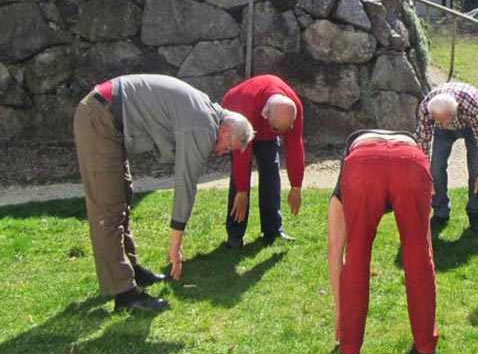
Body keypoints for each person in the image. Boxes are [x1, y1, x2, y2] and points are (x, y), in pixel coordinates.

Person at [73, 74, 255, 312]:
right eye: (226, 148)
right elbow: (185, 184)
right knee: (108, 210)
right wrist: (175, 245)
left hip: (107, 114)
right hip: (100, 117)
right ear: (225, 130)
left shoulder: (205, 113)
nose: (220, 153)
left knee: (121, 198)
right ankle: (125, 295)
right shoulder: (203, 125)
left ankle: (132, 272)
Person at [327, 130, 438, 354]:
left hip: (363, 166)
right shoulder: (412, 150)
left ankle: (350, 353)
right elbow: (427, 248)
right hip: (411, 161)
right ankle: (425, 349)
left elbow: (335, 253)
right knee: (419, 254)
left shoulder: (344, 179)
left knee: (356, 255)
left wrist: (341, 313)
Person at [221, 75, 305, 248]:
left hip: (263, 126)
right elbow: (241, 156)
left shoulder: (293, 108)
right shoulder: (246, 105)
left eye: (285, 130)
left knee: (271, 172)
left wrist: (296, 187)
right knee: (238, 184)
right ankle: (235, 236)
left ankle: (273, 229)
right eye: (276, 129)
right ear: (267, 116)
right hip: (239, 119)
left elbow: (295, 146)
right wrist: (243, 191)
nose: (281, 133)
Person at [414, 82, 478, 234]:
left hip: (471, 125)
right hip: (447, 128)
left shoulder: (471, 107)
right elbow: (423, 143)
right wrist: (426, 175)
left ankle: (475, 215)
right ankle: (440, 212)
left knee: (476, 171)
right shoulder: (425, 109)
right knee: (435, 168)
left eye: (445, 120)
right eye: (438, 121)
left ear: (454, 112)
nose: (442, 125)